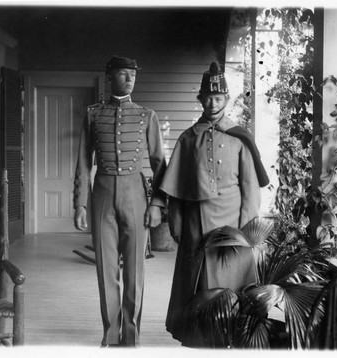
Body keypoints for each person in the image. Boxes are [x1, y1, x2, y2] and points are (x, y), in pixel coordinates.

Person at [160, 62, 269, 343]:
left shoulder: (240, 138)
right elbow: (176, 192)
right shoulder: (188, 138)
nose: (212, 104)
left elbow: (250, 188)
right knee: (199, 286)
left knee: (230, 285)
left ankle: (233, 336)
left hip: (231, 223)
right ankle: (199, 338)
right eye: (207, 98)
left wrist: (245, 230)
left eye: (218, 98)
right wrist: (177, 224)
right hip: (196, 222)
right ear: (200, 100)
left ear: (226, 100)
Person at [73, 56, 166, 347]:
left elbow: (160, 164)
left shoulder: (145, 116)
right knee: (106, 269)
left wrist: (157, 204)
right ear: (109, 76)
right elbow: (83, 163)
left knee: (135, 270)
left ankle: (131, 337)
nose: (129, 79)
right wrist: (80, 203)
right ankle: (111, 334)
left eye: (132, 75)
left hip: (135, 196)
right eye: (123, 74)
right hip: (101, 195)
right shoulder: (92, 114)